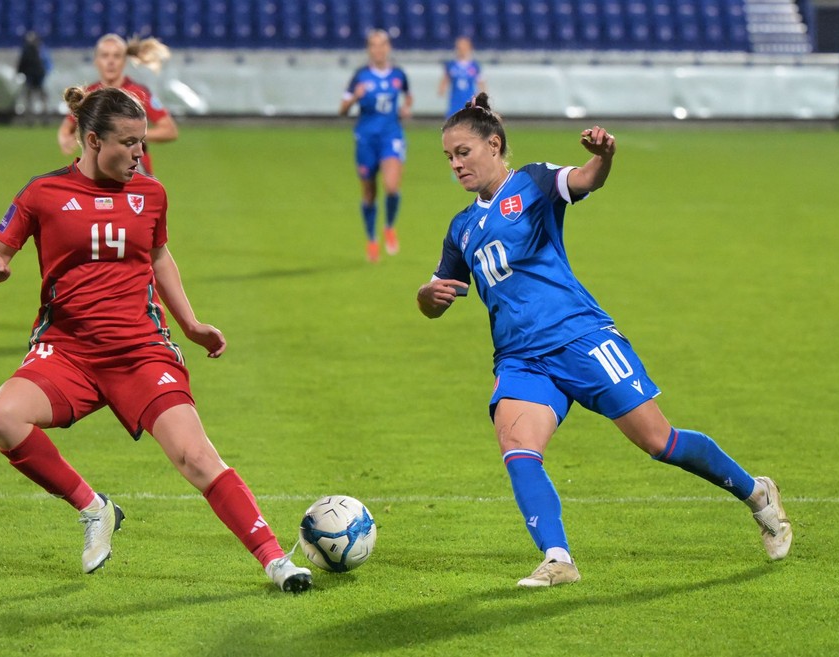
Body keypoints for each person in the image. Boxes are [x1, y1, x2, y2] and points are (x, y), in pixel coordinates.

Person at [416, 94, 792, 588]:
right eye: (448, 157)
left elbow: (585, 179)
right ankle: (558, 558)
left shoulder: (532, 181)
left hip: (580, 336)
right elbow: (437, 295)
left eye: (463, 152)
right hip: (520, 358)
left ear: (494, 144)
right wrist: (428, 295)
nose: (456, 164)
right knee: (519, 448)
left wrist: (604, 156)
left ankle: (757, 494)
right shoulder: (461, 227)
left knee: (661, 442)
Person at [0, 85, 311, 593]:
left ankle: (275, 560)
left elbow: (159, 259)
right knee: (1, 417)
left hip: (140, 350)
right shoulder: (42, 193)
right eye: (128, 143)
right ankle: (94, 508)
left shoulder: (150, 193)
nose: (138, 154)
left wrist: (192, 324)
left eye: (143, 142)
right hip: (67, 350)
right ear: (91, 140)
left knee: (197, 458)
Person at [339, 29, 412, 262]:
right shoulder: (360, 76)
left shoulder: (399, 74)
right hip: (366, 138)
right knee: (369, 193)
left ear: (388, 47)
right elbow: (342, 109)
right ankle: (371, 239)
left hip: (391, 135)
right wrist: (354, 98)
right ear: (369, 49)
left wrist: (406, 108)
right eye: (373, 45)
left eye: (382, 45)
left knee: (391, 186)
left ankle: (389, 226)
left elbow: (408, 95)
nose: (378, 49)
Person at [57, 34, 177, 176]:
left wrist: (132, 136)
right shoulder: (89, 94)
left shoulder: (139, 93)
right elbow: (66, 128)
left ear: (124, 61)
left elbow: (169, 131)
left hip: (136, 173)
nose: (110, 62)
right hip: (99, 174)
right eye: (105, 56)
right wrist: (65, 139)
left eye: (116, 56)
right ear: (96, 61)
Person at [437, 36, 486, 118]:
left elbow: (481, 83)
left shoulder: (475, 66)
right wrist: (441, 89)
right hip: (455, 102)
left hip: (469, 101)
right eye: (460, 47)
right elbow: (445, 80)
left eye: (464, 47)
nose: (462, 50)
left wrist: (483, 97)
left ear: (469, 48)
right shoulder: (451, 65)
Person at [16, 31, 50, 123]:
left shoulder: (27, 50)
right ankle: (45, 119)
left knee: (29, 99)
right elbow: (46, 65)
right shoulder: (41, 49)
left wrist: (20, 72)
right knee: (41, 98)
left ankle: (30, 119)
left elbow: (21, 64)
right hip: (38, 77)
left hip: (31, 77)